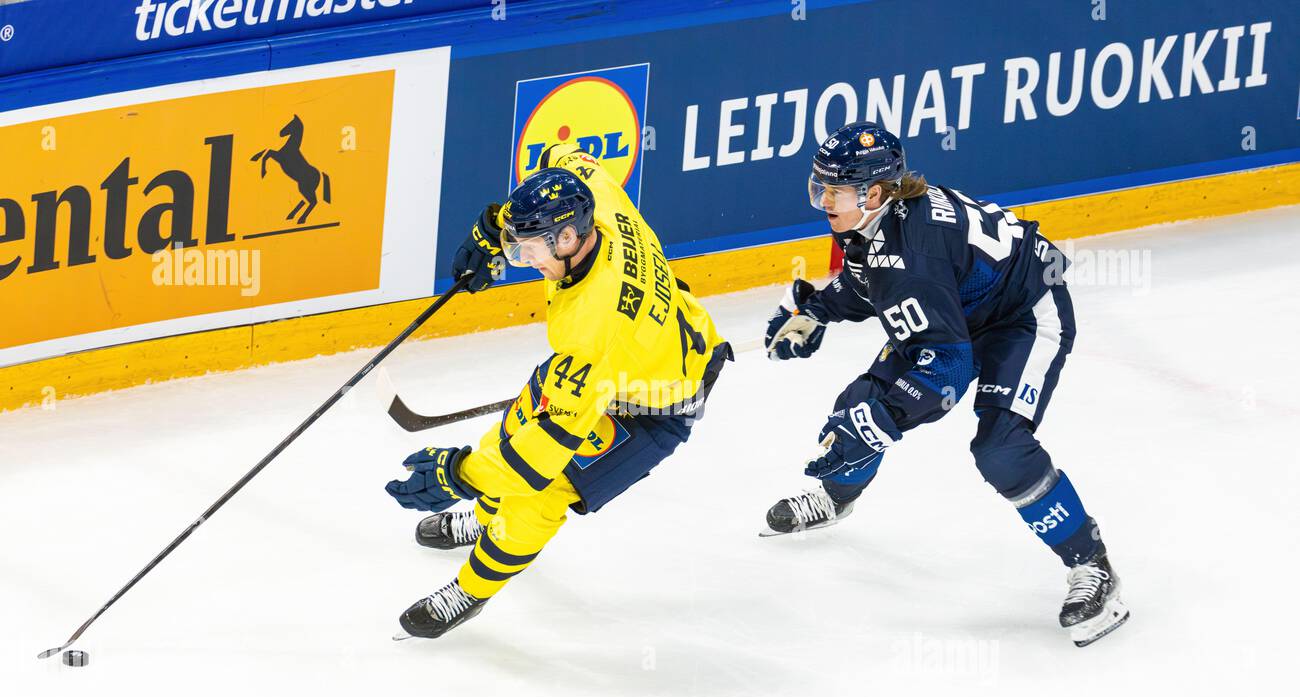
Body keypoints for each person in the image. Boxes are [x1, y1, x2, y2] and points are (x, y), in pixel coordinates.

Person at [763, 122, 1126, 647]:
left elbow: (947, 370)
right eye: (820, 185)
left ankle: (1092, 565)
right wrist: (816, 309)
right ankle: (836, 497)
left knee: (1001, 449)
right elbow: (873, 278)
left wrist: (884, 421)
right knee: (862, 403)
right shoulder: (880, 222)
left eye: (834, 190)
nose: (822, 199)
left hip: (1022, 316)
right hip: (958, 311)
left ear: (875, 192)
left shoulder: (914, 253)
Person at [385, 144, 731, 639]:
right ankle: (486, 518)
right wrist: (492, 228)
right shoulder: (598, 200)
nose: (522, 260)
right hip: (640, 355)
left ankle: (470, 592)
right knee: (511, 431)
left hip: (652, 408)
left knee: (537, 494)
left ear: (567, 237)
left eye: (529, 248)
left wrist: (458, 475)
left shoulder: (595, 325)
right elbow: (559, 155)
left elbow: (540, 456)